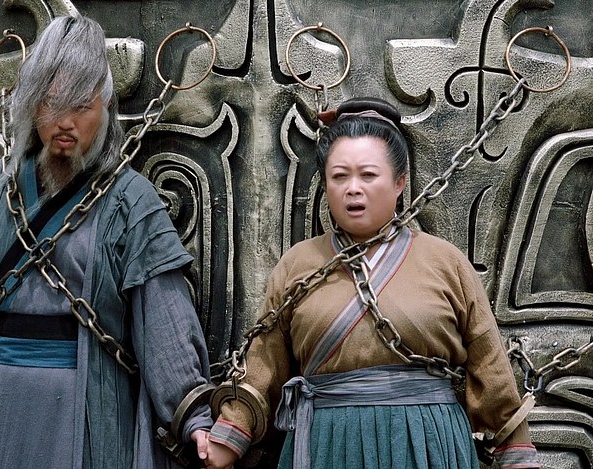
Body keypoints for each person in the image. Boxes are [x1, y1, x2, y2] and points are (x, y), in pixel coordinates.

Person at [0, 15, 213, 468]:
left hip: (84, 405)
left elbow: (165, 320)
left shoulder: (132, 201)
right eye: (50, 102)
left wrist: (194, 417)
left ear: (105, 105)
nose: (65, 122)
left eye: (81, 105)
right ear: (31, 103)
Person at [202, 97, 540, 468]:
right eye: (339, 176)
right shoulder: (299, 263)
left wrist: (516, 453)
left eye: (368, 175)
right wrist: (230, 435)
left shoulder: (445, 262)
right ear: (326, 184)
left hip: (427, 441)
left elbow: (489, 363)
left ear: (399, 183)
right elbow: (263, 363)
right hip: (328, 441)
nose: (353, 188)